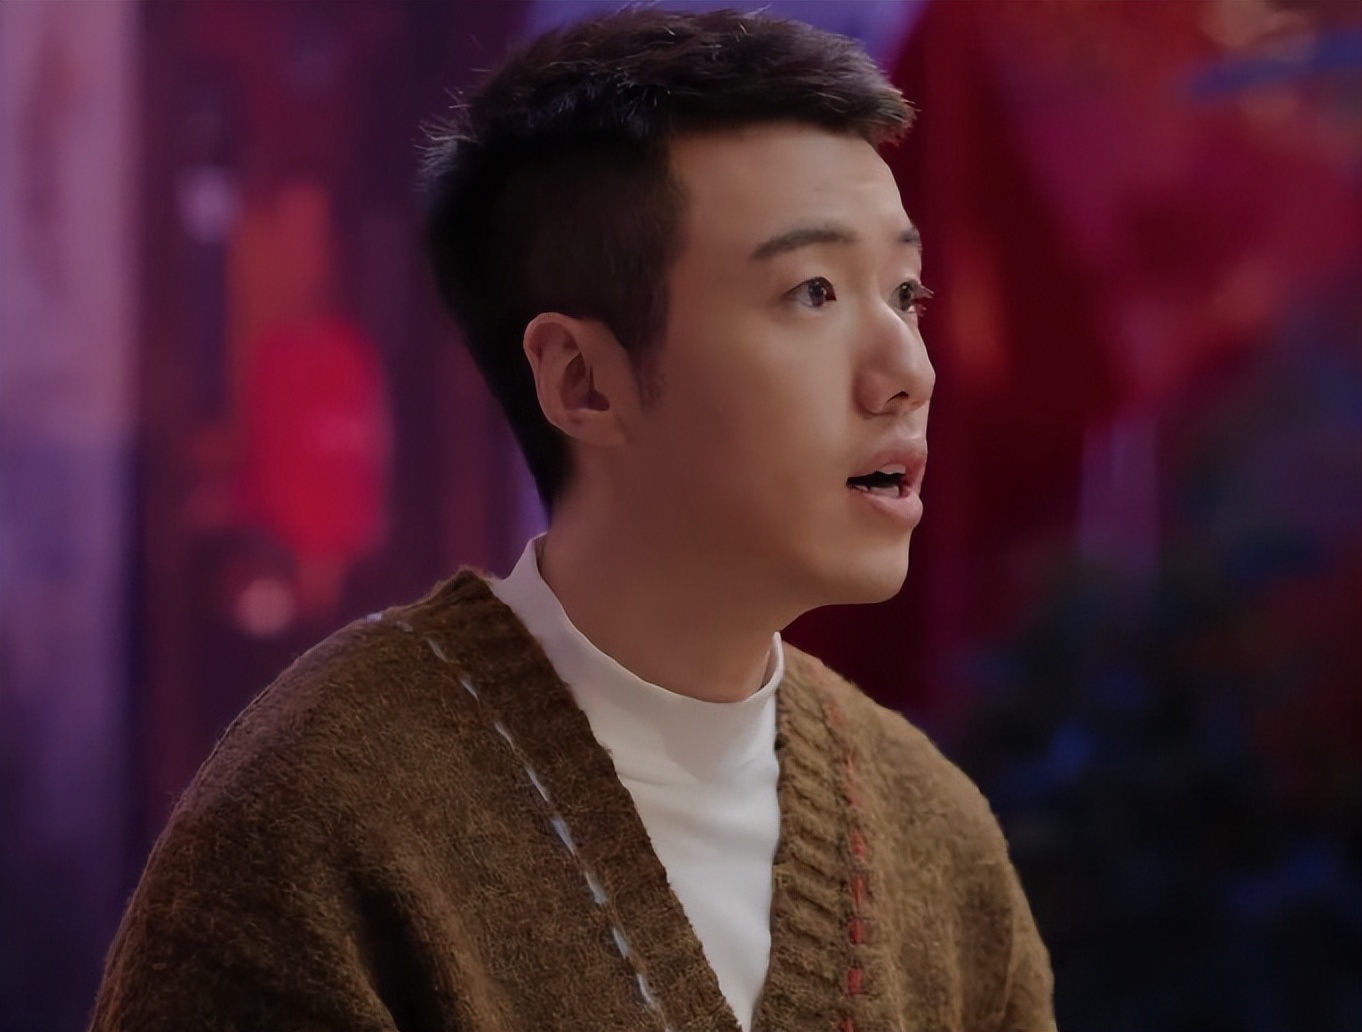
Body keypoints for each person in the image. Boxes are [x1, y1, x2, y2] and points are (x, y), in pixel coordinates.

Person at [89, 9, 1054, 1031]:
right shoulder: (315, 825)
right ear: (584, 382)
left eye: (905, 292)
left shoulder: (937, 841)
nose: (910, 370)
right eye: (813, 291)